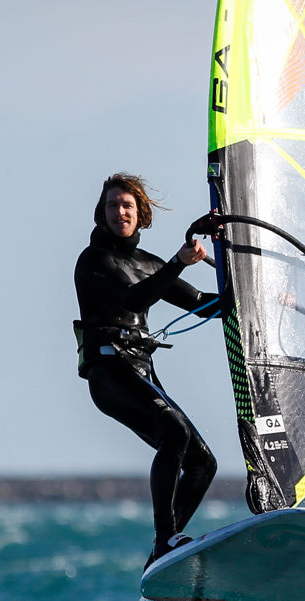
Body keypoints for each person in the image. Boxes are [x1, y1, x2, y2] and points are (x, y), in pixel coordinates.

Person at [73, 172, 219, 572]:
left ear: (141, 214)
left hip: (140, 373)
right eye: (112, 205)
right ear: (101, 213)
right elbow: (134, 296)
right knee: (174, 432)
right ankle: (165, 538)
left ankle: (163, 551)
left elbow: (205, 305)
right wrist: (177, 263)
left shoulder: (147, 264)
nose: (120, 211)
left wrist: (260, 294)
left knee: (204, 464)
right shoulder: (94, 260)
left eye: (127, 206)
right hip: (109, 374)